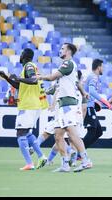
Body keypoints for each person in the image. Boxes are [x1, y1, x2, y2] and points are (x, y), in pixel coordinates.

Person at [37, 43, 92, 172]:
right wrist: (84, 92)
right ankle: (65, 164)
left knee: (72, 134)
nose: (60, 50)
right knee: (58, 135)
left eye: (62, 48)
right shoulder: (68, 66)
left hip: (68, 105)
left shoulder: (68, 64)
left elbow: (52, 77)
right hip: (63, 105)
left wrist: (40, 77)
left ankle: (86, 160)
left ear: (68, 51)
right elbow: (76, 82)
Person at [0, 48, 48, 170]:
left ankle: (29, 163)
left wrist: (18, 78)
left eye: (21, 53)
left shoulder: (29, 66)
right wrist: (7, 78)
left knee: (20, 132)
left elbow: (33, 80)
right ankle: (41, 157)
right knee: (26, 132)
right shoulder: (27, 68)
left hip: (28, 105)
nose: (20, 56)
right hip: (32, 104)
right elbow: (19, 85)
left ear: (25, 55)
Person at [82, 59, 112, 151]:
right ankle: (78, 152)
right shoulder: (94, 77)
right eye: (102, 67)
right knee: (92, 131)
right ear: (99, 67)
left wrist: (95, 103)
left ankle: (80, 152)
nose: (103, 69)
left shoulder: (91, 77)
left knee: (98, 132)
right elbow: (91, 91)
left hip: (90, 106)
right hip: (88, 107)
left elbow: (88, 92)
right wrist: (105, 102)